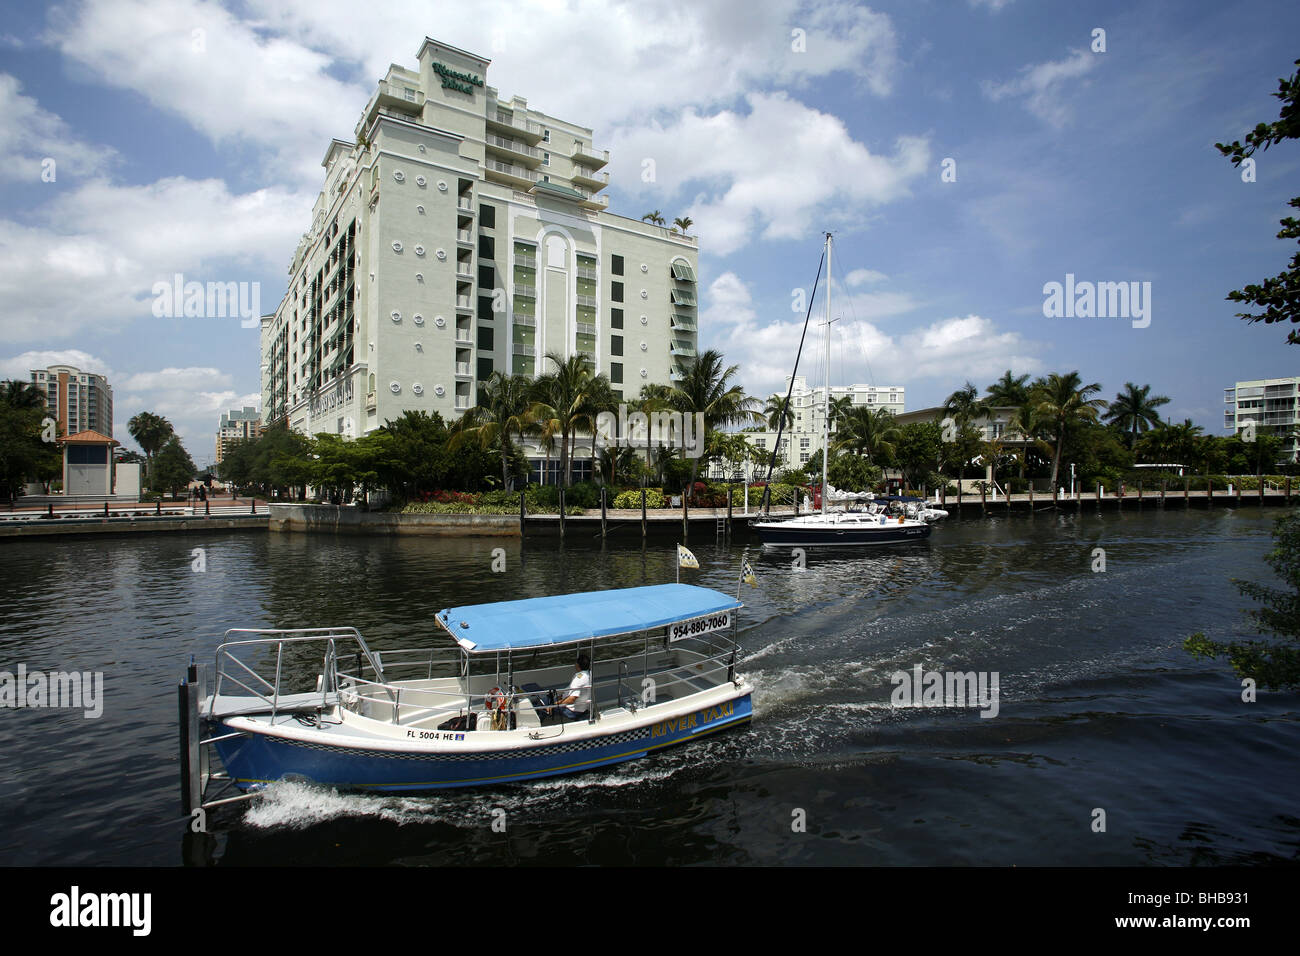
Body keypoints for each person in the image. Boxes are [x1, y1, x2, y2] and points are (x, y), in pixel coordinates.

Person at [550, 653, 592, 722]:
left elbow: (572, 699)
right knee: (550, 701)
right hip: (581, 707)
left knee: (545, 705)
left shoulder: (578, 678)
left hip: (572, 710)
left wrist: (556, 704)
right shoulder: (588, 674)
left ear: (577, 665)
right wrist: (561, 696)